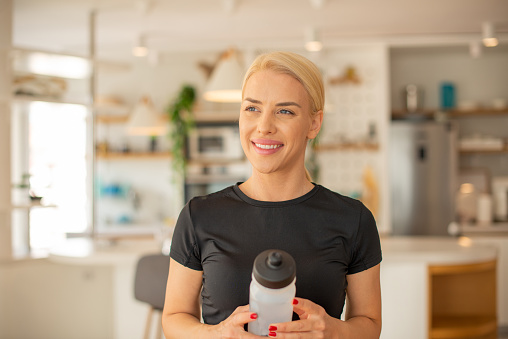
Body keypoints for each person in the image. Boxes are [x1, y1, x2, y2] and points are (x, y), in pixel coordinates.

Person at [162, 51, 382, 338]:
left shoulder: (353, 219)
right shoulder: (198, 216)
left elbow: (369, 324)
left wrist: (334, 332)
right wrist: (217, 335)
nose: (263, 126)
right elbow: (174, 318)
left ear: (314, 124)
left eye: (285, 111)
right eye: (252, 108)